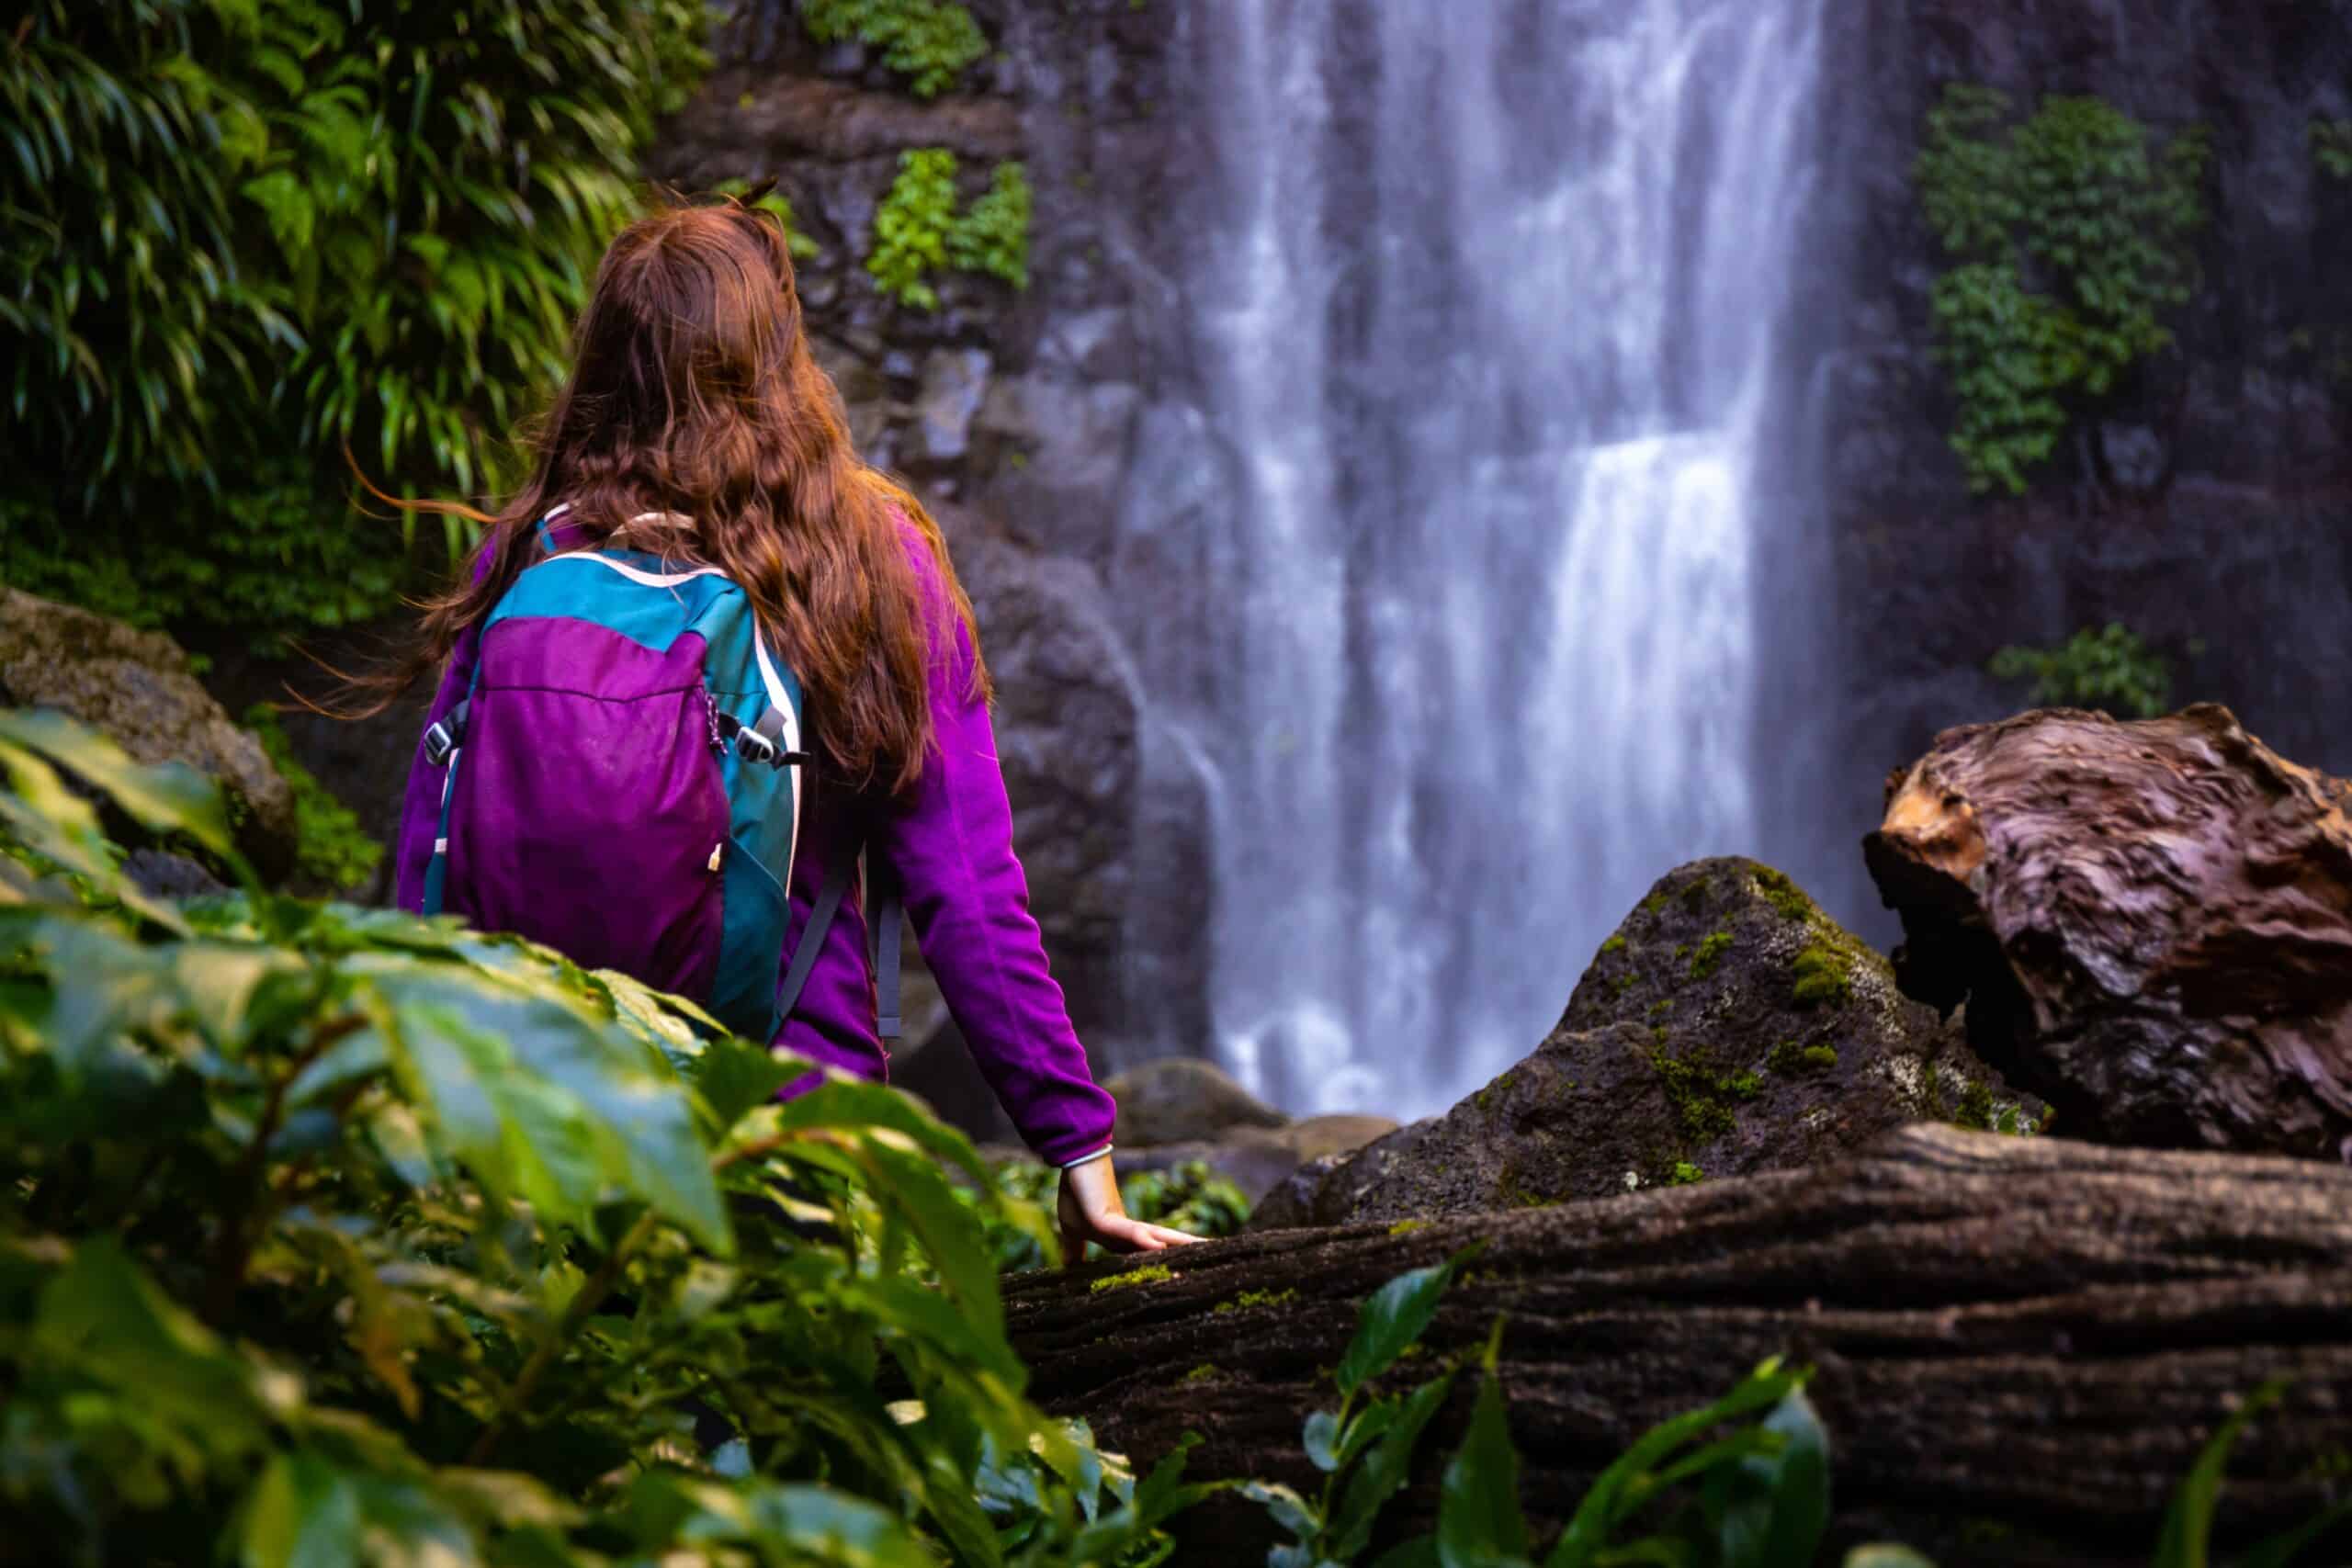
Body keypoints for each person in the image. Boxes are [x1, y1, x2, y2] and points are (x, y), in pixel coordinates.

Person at [365, 199, 1195, 1262]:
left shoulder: (528, 551)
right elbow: (968, 894)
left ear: (606, 363)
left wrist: (409, 1098)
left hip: (542, 1123)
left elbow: (429, 839)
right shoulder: (868, 559)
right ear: (778, 358)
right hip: (781, 1136)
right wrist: (1076, 1146)